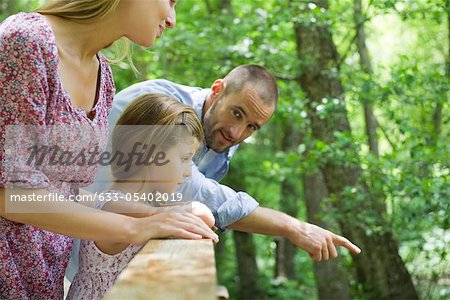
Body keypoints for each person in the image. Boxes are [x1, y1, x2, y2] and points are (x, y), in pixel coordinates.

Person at [0, 1, 217, 299]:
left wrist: (158, 214)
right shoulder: (26, 42)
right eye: (170, 1)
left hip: (44, 284)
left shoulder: (103, 76)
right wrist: (133, 228)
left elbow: (62, 193)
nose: (172, 20)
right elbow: (12, 196)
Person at [84, 64, 361, 266]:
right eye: (236, 113)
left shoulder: (222, 134)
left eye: (252, 126)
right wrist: (292, 227)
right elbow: (192, 191)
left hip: (135, 270)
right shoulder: (156, 106)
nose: (237, 133)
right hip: (70, 260)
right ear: (217, 91)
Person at [67, 93, 214, 300]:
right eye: (183, 158)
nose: (188, 171)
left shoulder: (140, 204)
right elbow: (204, 214)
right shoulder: (118, 206)